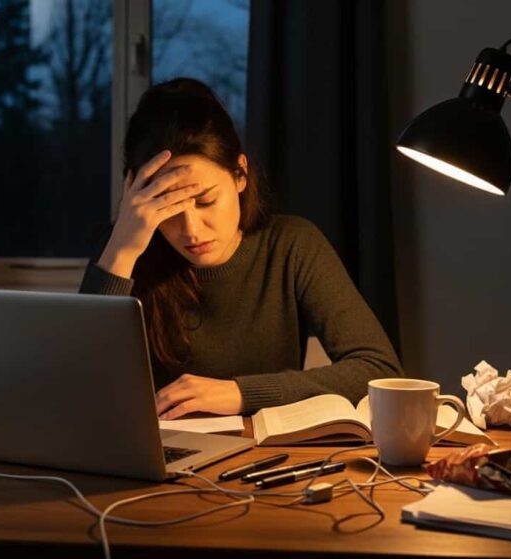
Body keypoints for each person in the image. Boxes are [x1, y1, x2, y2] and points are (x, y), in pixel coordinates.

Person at [80, 77, 402, 420]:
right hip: (156, 460)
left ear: (240, 174)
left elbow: (378, 369)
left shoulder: (291, 245)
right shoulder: (122, 253)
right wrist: (122, 250)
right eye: (169, 211)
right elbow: (78, 386)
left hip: (263, 459)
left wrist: (240, 393)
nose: (191, 230)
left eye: (205, 201)